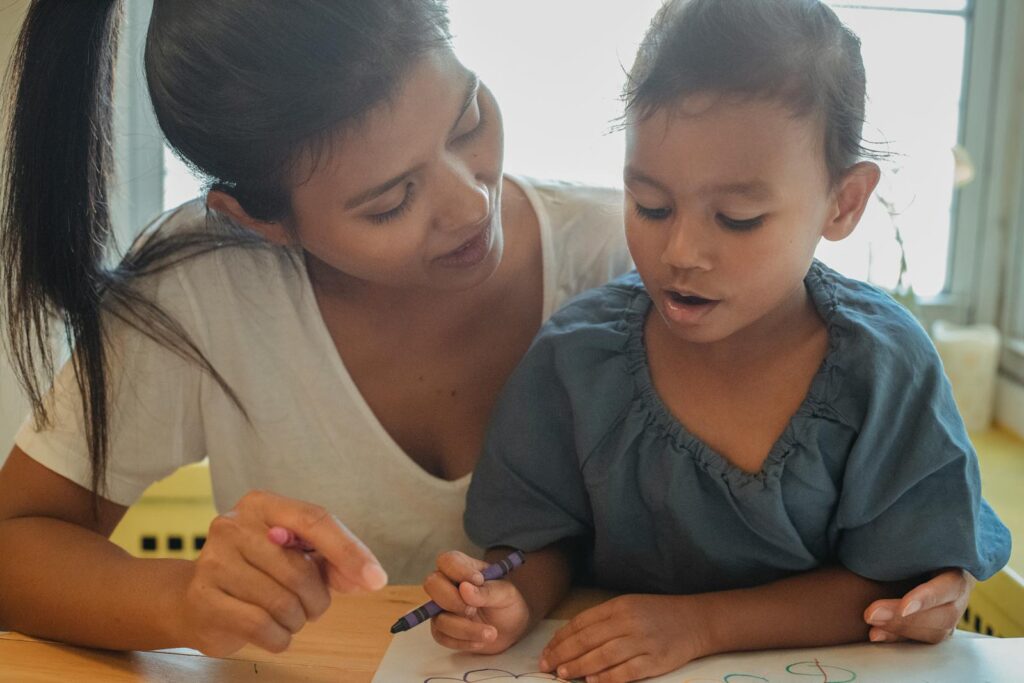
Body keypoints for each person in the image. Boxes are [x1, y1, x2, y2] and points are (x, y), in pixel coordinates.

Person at [0, 0, 971, 660]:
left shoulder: (626, 255)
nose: (468, 206)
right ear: (258, 219)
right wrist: (179, 600)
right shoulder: (199, 297)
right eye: (389, 201)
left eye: (468, 118)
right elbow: (16, 545)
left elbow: (896, 539)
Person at [423, 1, 1012, 681]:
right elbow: (541, 541)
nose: (682, 251)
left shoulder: (885, 370)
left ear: (843, 203)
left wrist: (701, 625)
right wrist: (508, 596)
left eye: (737, 219)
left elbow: (892, 588)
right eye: (650, 205)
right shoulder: (575, 361)